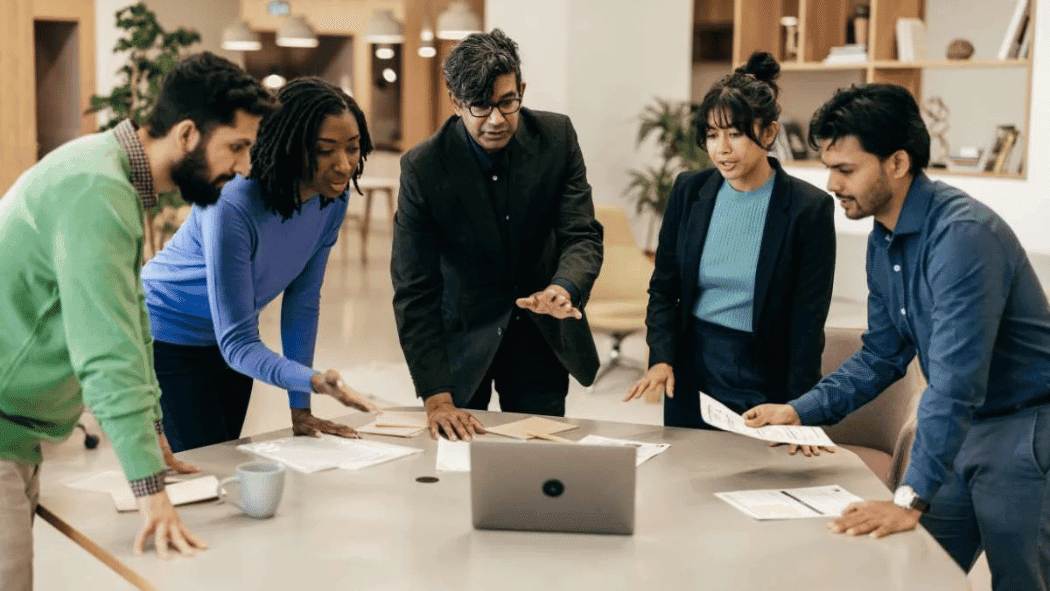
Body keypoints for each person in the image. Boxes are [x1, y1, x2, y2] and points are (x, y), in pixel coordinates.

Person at [744, 83, 1050, 591]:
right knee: (912, 569)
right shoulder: (883, 239)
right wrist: (800, 410)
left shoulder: (964, 236)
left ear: (898, 163)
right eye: (829, 167)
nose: (832, 183)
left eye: (846, 170)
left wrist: (909, 498)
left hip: (1023, 429)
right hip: (960, 428)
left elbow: (955, 382)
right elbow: (883, 355)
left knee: (1021, 581)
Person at [0, 51, 275, 589]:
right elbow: (105, 349)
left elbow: (132, 315)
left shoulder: (108, 174)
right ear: (189, 134)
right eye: (236, 147)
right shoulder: (97, 191)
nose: (243, 168)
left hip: (17, 431)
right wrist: (150, 490)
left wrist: (152, 433)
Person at [141, 77, 379, 453]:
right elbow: (237, 342)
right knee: (203, 467)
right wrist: (313, 379)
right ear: (288, 145)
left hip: (231, 343)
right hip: (166, 335)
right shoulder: (232, 202)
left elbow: (302, 303)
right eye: (325, 150)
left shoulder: (331, 199)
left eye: (353, 148)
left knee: (224, 460)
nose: (344, 165)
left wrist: (301, 407)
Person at [392, 29, 603, 441]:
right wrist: (436, 397)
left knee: (540, 464)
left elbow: (582, 235)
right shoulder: (424, 168)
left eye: (508, 102)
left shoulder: (556, 139)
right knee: (460, 467)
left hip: (540, 335)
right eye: (480, 106)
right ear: (455, 101)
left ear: (521, 88)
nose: (496, 120)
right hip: (463, 337)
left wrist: (564, 286)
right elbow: (414, 288)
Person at [625, 52, 835, 445]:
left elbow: (807, 322)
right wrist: (662, 357)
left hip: (763, 370)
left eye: (735, 134)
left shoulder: (808, 209)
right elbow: (664, 288)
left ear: (768, 133)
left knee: (755, 481)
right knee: (686, 474)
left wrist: (800, 408)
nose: (721, 148)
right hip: (694, 365)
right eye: (711, 134)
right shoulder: (690, 191)